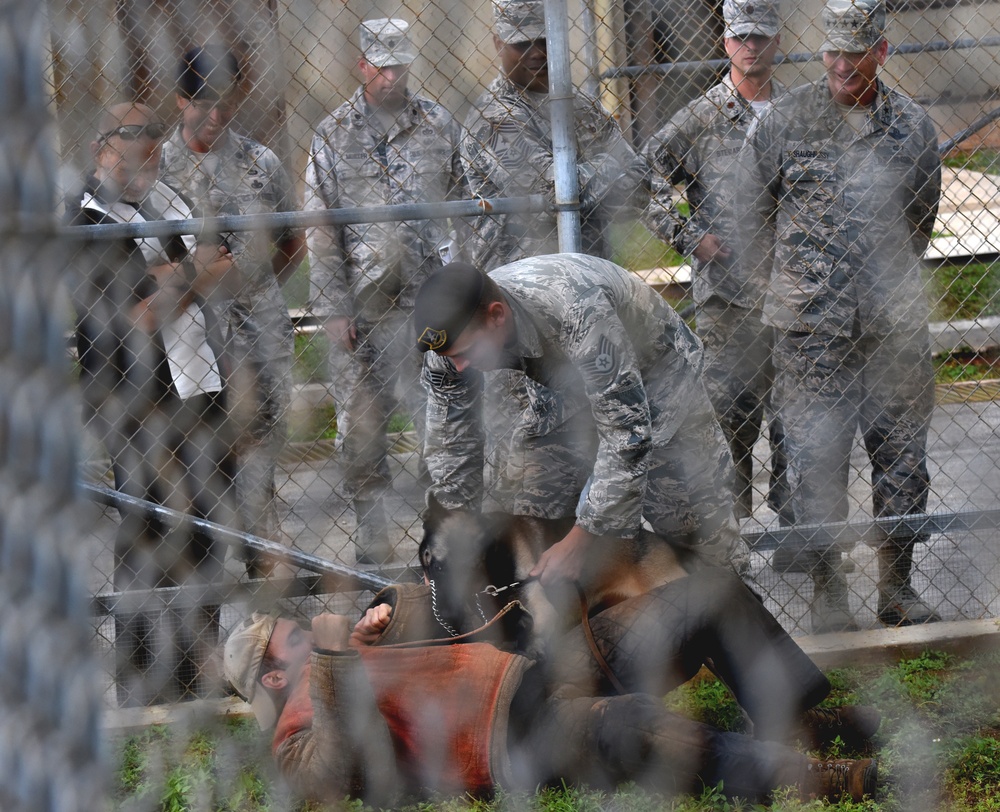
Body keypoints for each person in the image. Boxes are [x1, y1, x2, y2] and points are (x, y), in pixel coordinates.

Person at [223, 568, 879, 805]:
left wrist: (391, 611)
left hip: (533, 665)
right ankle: (807, 775)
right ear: (275, 675)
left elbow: (454, 612)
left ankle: (791, 717)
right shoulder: (294, 729)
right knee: (638, 727)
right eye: (295, 636)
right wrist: (336, 662)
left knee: (710, 598)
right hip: (509, 737)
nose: (310, 627)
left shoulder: (347, 654)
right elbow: (332, 775)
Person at [739, 0, 942, 631]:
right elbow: (750, 216)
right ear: (822, 50)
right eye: (833, 54)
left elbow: (920, 219)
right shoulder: (785, 122)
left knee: (903, 459)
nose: (843, 66)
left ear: (881, 52)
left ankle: (897, 587)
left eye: (857, 55)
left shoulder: (912, 127)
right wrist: (794, 287)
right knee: (814, 463)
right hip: (810, 336)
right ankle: (829, 591)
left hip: (895, 333)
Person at [414, 255, 749, 592]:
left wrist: (582, 538)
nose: (459, 367)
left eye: (467, 353)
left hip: (659, 389)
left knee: (700, 539)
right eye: (450, 357)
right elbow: (451, 441)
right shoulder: (448, 343)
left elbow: (626, 433)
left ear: (497, 316)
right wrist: (454, 525)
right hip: (563, 400)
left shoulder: (577, 309)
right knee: (532, 525)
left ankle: (751, 626)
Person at [70, 102, 240, 703]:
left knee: (207, 537)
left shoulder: (170, 202)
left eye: (154, 140)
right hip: (135, 406)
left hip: (202, 391)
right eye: (132, 140)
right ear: (101, 148)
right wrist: (193, 273)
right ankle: (144, 687)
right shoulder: (86, 219)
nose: (148, 149)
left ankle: (199, 678)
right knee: (148, 538)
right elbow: (133, 321)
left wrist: (178, 276)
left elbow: (226, 265)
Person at [304, 18, 466, 564]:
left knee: (440, 424)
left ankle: (437, 536)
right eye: (382, 65)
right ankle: (371, 541)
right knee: (361, 431)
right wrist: (330, 306)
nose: (392, 76)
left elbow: (465, 208)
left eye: (401, 65)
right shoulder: (333, 133)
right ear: (362, 64)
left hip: (428, 306)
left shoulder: (438, 124)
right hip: (363, 312)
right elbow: (321, 226)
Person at [642, 0, 791, 529]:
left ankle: (800, 535)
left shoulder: (799, 115)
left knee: (797, 423)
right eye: (741, 36)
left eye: (761, 36)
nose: (751, 46)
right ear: (725, 42)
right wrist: (686, 234)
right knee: (730, 421)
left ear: (779, 41)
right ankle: (732, 541)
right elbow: (643, 178)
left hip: (795, 296)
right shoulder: (702, 117)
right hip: (729, 302)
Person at [160, 45, 305, 569]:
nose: (215, 115)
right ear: (180, 100)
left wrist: (255, 289)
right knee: (196, 463)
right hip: (189, 348)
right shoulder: (158, 169)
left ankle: (263, 567)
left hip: (260, 337)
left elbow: (292, 245)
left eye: (224, 102)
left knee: (259, 457)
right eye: (202, 102)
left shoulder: (260, 163)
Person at [461, 0, 648, 270]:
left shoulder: (582, 105)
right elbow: (553, 193)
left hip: (592, 271)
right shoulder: (492, 117)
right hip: (523, 281)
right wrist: (612, 169)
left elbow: (640, 188)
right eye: (522, 44)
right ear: (498, 44)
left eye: (544, 39)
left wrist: (583, 187)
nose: (537, 53)